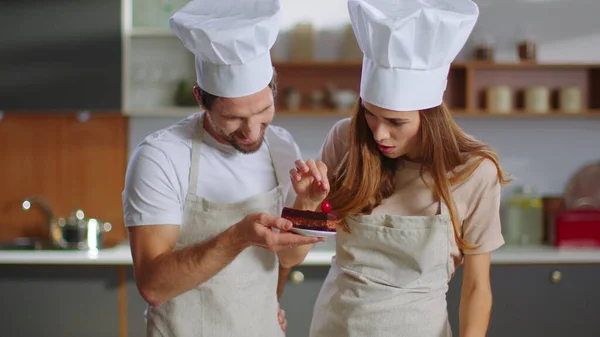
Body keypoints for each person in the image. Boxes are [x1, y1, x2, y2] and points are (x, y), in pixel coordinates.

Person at [288, 1, 512, 336]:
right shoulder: (345, 141)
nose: (379, 133)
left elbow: (477, 288)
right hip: (336, 326)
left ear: (431, 116)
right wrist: (305, 204)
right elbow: (290, 260)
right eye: (370, 114)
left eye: (396, 122)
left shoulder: (474, 171)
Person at [121, 0, 325, 336]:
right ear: (201, 98)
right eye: (234, 118)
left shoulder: (281, 146)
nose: (252, 131)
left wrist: (307, 205)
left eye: (263, 111)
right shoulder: (161, 157)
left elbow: (289, 259)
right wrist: (238, 237)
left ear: (273, 88)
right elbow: (153, 286)